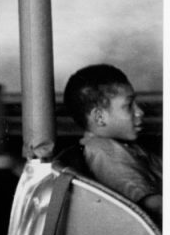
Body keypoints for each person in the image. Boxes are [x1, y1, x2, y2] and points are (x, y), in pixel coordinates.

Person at [63, 63, 161, 224]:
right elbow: (153, 205)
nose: (140, 112)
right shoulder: (105, 151)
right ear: (100, 117)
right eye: (129, 106)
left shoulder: (121, 145)